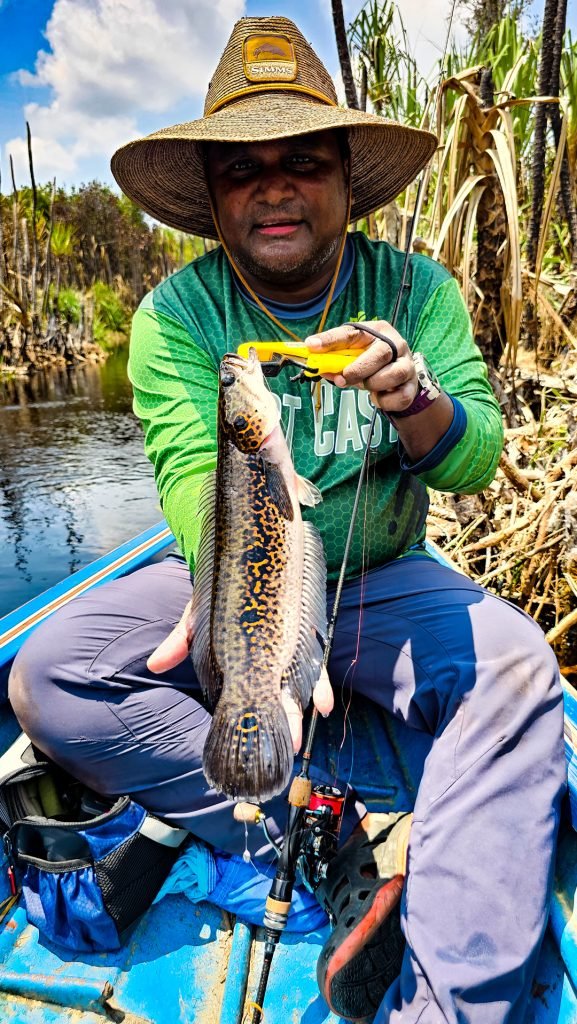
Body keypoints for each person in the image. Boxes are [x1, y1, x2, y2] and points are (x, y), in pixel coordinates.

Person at [8, 15, 565, 1024]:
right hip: (237, 572)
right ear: (212, 197)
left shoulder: (417, 290)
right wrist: (237, 601)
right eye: (241, 170)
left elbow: (474, 455)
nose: (272, 187)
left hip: (384, 574)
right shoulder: (176, 317)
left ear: (346, 180)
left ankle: (451, 1001)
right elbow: (191, 475)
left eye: (302, 161)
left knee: (521, 671)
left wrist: (415, 398)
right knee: (46, 677)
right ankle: (307, 833)